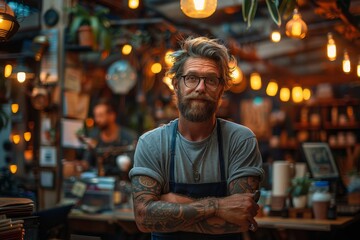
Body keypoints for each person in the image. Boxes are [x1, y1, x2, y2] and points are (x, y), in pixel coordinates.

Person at [129, 36, 265, 240]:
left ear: (221, 89)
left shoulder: (240, 140)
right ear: (176, 84)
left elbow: (242, 218)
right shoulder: (152, 143)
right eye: (191, 78)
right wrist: (218, 206)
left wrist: (170, 203)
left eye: (210, 80)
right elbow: (143, 217)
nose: (200, 88)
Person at [82, 98, 137, 177]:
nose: (97, 120)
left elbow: (133, 163)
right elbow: (87, 160)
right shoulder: (94, 135)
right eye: (96, 116)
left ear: (112, 116)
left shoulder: (128, 137)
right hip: (98, 182)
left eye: (100, 116)